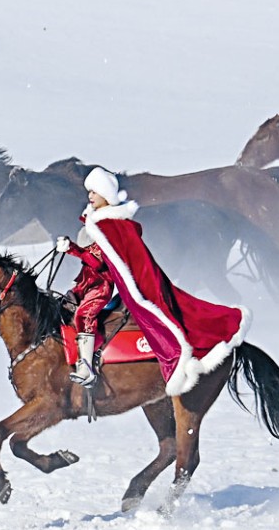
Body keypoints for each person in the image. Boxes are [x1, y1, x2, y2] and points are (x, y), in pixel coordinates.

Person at [57, 167, 251, 395]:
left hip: (104, 284)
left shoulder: (109, 225)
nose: (90, 196)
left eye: (95, 192)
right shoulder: (99, 221)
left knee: (85, 314)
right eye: (89, 191)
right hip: (91, 281)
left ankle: (86, 368)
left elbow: (100, 260)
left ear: (106, 196)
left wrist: (72, 249)